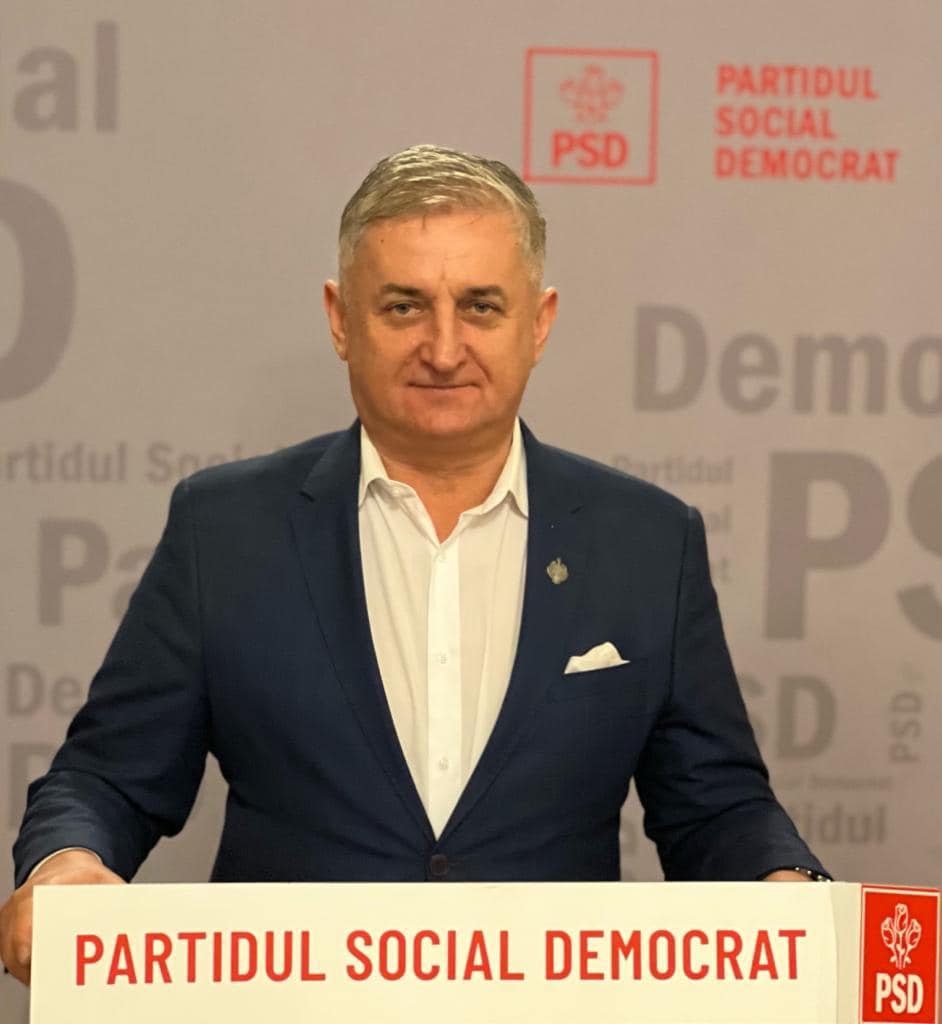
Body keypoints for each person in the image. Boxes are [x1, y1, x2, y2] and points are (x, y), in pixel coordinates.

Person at [1, 144, 827, 986]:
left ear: (538, 323)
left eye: (480, 307)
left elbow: (715, 806)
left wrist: (786, 887)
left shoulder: (648, 541)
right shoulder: (224, 529)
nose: (443, 347)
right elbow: (109, 777)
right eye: (404, 307)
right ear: (340, 319)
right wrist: (66, 864)